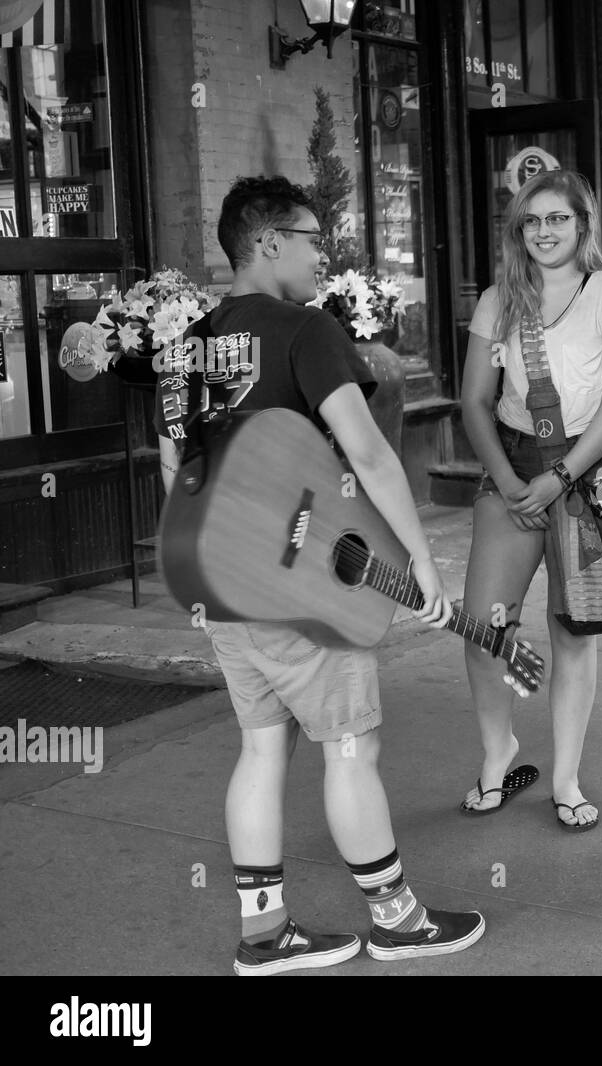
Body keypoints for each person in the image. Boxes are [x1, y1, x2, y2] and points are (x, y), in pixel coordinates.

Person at [155, 176, 484, 975]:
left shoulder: (180, 347)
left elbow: (176, 472)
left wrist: (213, 568)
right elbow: (368, 452)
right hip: (298, 585)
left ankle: (266, 935)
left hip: (222, 577)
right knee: (350, 747)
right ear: (267, 242)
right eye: (311, 238)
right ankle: (398, 920)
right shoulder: (306, 331)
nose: (323, 257)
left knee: (262, 749)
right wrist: (415, 558)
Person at [458, 169, 602, 830]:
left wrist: (560, 474)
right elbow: (474, 401)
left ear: (581, 224)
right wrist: (510, 483)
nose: (544, 232)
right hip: (510, 467)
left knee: (573, 630)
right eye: (532, 221)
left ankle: (565, 776)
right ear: (519, 230)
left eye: (557, 219)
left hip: (586, 474)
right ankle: (498, 750)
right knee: (485, 626)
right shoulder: (498, 300)